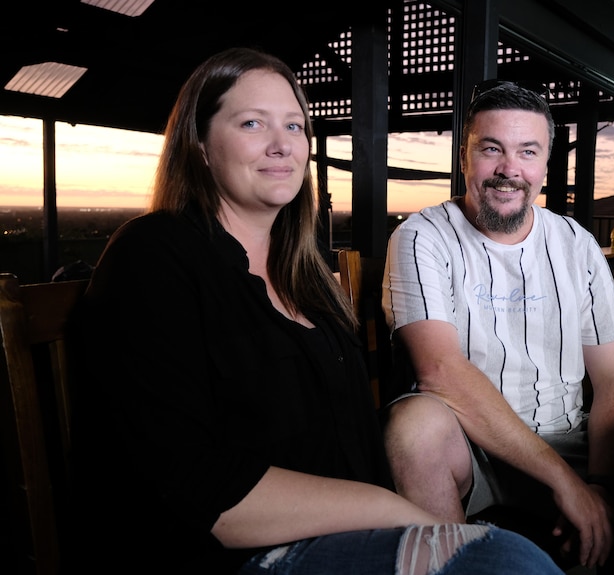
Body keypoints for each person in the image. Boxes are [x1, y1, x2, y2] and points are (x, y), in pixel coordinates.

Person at [69, 50, 565, 575]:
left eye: (295, 125)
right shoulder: (153, 254)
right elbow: (197, 483)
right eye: (252, 123)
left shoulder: (304, 277)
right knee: (503, 558)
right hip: (231, 556)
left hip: (340, 535)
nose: (283, 144)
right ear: (199, 143)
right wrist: (398, 513)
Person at [381, 80, 614, 573]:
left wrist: (599, 486)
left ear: (545, 164)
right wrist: (563, 484)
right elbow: (439, 371)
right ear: (465, 157)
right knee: (413, 425)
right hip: (471, 446)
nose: (509, 169)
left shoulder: (576, 241)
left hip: (574, 438)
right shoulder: (422, 235)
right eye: (491, 149)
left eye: (528, 151)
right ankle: (463, 567)